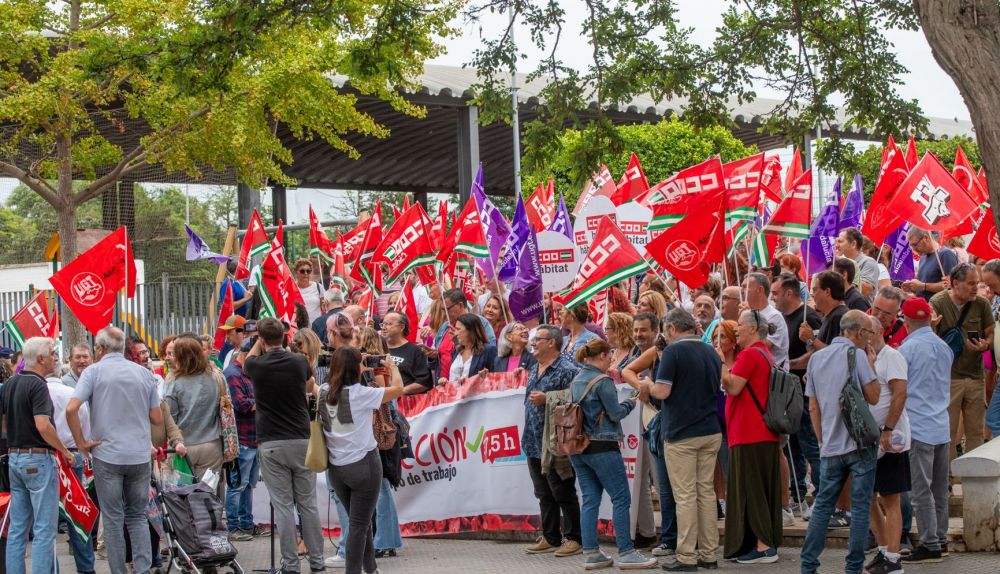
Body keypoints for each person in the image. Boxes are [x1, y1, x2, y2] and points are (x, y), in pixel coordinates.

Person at [66, 327, 162, 574]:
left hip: (107, 454)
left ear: (99, 348)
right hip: (139, 454)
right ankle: (143, 569)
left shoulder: (93, 373)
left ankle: (118, 570)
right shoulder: (143, 373)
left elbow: (71, 409)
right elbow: (156, 418)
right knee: (138, 516)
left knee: (113, 518)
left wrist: (81, 442)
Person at [800, 310, 880, 574]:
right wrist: (872, 363)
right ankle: (853, 567)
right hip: (859, 444)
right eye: (868, 332)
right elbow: (874, 396)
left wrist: (823, 440)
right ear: (858, 332)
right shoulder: (857, 355)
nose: (869, 337)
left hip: (830, 445)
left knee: (823, 505)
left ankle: (808, 564)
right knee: (859, 507)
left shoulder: (817, 358)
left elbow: (813, 406)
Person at [244, 317, 325, 574]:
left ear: (261, 338)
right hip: (300, 438)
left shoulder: (255, 365)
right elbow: (309, 382)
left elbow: (247, 360)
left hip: (271, 441)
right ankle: (317, 561)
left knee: (283, 506)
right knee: (308, 504)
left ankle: (291, 564)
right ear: (284, 337)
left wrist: (259, 343)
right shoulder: (299, 361)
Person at [569, 339, 656, 570]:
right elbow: (616, 414)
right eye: (610, 355)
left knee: (590, 500)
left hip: (578, 449)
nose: (612, 359)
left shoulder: (576, 379)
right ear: (602, 356)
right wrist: (631, 402)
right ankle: (626, 552)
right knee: (621, 498)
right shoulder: (603, 380)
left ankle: (591, 553)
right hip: (602, 446)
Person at [649, 309, 723, 571]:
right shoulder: (711, 351)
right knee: (705, 493)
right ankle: (709, 554)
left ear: (670, 329)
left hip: (682, 433)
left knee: (685, 496)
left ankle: (687, 556)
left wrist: (646, 385)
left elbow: (662, 391)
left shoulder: (673, 352)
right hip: (710, 430)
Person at [321, 347, 404, 574]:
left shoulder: (325, 391)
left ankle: (371, 568)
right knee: (359, 525)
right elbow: (398, 389)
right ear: (354, 368)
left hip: (337, 469)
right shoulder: (361, 393)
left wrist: (357, 361)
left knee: (360, 519)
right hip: (364, 465)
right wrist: (392, 367)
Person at [0, 337, 74, 574]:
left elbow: (3, 423)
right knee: (44, 529)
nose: (55, 357)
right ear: (40, 358)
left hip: (15, 458)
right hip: (38, 459)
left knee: (18, 528)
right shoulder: (38, 385)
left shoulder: (11, 382)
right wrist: (63, 450)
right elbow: (43, 425)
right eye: (53, 353)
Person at [721, 310, 782, 564]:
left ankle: (764, 545)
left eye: (741, 325)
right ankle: (760, 542)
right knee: (758, 488)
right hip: (758, 432)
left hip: (749, 432)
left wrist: (723, 364)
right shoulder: (763, 354)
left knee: (752, 489)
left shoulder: (750, 354)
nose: (737, 330)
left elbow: (733, 386)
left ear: (754, 329)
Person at [897, 297, 953, 564]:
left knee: (921, 490)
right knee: (940, 488)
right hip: (941, 424)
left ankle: (930, 543)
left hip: (918, 426)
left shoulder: (906, 350)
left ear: (906, 322)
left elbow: (899, 388)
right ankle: (940, 538)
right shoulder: (944, 347)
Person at [622, 313, 679, 558]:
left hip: (679, 424)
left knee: (673, 486)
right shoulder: (654, 352)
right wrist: (643, 387)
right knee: (660, 485)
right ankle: (665, 537)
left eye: (643, 330)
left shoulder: (675, 350)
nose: (638, 335)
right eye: (635, 330)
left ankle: (682, 537)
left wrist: (650, 387)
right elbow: (627, 371)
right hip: (654, 422)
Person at [522, 324, 582, 557]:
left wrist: (548, 398)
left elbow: (578, 395)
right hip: (533, 440)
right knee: (543, 492)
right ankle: (550, 536)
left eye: (539, 339)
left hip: (556, 440)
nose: (533, 342)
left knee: (563, 490)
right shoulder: (534, 367)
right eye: (533, 339)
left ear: (552, 343)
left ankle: (574, 538)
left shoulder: (567, 368)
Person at [929, 262, 994, 462]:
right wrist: (931, 328)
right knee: (947, 429)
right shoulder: (937, 302)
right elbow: (928, 339)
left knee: (975, 430)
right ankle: (946, 476)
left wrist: (986, 345)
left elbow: (990, 332)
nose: (976, 287)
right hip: (948, 377)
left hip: (975, 375)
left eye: (977, 283)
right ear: (956, 283)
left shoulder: (981, 304)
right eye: (971, 283)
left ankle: (974, 475)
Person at [864, 315, 911, 574]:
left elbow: (900, 393)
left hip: (891, 439)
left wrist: (889, 429)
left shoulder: (892, 357)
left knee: (890, 498)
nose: (865, 335)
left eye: (868, 330)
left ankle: (893, 558)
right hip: (870, 442)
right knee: (869, 498)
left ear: (880, 331)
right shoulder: (867, 358)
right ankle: (883, 550)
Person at [771, 272, 822, 506]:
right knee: (791, 444)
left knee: (809, 442)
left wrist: (790, 364)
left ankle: (822, 494)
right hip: (784, 390)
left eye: (776, 293)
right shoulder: (780, 319)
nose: (773, 298)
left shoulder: (809, 316)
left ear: (789, 293)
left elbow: (818, 353)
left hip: (803, 389)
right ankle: (797, 492)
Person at [45, 364, 97, 574]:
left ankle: (50, 568)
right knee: (76, 513)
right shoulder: (71, 394)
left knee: (45, 519)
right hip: (72, 453)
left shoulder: (35, 391)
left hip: (46, 454)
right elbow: (85, 424)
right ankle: (86, 567)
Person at [164, 337, 224, 485]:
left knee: (182, 498)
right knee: (207, 497)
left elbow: (170, 418)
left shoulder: (174, 383)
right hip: (212, 444)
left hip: (184, 446)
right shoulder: (216, 377)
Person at [224, 338, 264, 541]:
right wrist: (266, 400)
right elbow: (240, 404)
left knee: (248, 484)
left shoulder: (249, 373)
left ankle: (246, 523)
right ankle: (233, 526)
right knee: (237, 484)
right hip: (242, 437)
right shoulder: (232, 373)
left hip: (255, 436)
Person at [742, 272, 790, 369]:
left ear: (760, 290)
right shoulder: (745, 314)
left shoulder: (774, 317)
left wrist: (749, 319)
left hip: (769, 379)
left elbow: (762, 346)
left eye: (745, 287)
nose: (742, 291)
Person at [380, 311, 434, 395]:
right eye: (383, 324)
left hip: (406, 404)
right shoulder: (378, 349)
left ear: (401, 327)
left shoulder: (416, 350)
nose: (383, 327)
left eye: (389, 324)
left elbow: (425, 382)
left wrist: (398, 392)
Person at [797, 270, 849, 358]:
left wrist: (811, 339)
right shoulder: (830, 315)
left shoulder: (839, 317)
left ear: (827, 292)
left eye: (815, 290)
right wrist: (808, 340)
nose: (812, 295)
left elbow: (834, 355)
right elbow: (816, 353)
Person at [902, 227, 958, 301]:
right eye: (911, 246)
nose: (913, 249)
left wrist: (923, 286)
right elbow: (923, 286)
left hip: (937, 309)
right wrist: (912, 287)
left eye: (915, 245)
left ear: (926, 238)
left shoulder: (945, 254)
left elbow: (951, 286)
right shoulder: (923, 257)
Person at [440, 313, 498, 384]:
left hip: (477, 394)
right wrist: (445, 382)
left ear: (471, 331)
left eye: (458, 329)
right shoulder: (456, 351)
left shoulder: (489, 350)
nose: (455, 333)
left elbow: (496, 379)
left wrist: (483, 377)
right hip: (454, 394)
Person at [837, 227, 880, 300]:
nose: (836, 245)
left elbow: (866, 291)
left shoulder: (868, 262)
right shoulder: (838, 262)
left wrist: (844, 274)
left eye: (840, 241)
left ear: (853, 244)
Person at [293, 258, 326, 324]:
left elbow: (324, 306)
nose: (306, 273)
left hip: (316, 327)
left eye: (308, 271)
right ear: (296, 272)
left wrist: (324, 305)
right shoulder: (292, 288)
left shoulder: (318, 287)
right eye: (302, 271)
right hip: (298, 328)